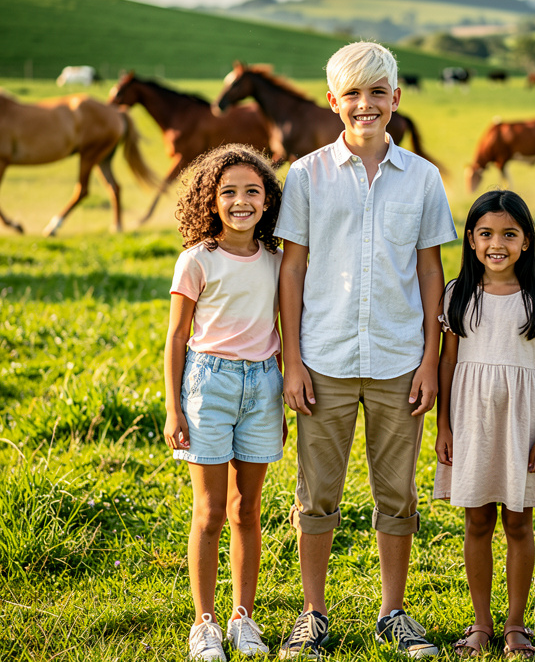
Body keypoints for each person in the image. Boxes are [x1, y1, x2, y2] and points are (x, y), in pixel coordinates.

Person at [274, 41, 457, 659]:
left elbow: (431, 273)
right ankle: (313, 613)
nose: (365, 104)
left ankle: (392, 611)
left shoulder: (424, 178)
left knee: (397, 494)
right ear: (332, 102)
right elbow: (292, 271)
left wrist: (430, 358)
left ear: (396, 99)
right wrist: (293, 361)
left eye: (377, 92)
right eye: (352, 93)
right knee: (317, 492)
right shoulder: (305, 175)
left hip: (399, 360)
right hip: (322, 359)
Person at [162, 144, 286, 662]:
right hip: (207, 386)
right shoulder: (197, 259)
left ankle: (243, 617)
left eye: (252, 192)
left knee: (247, 509)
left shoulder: (278, 261)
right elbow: (175, 338)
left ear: (267, 201)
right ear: (210, 200)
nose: (241, 201)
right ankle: (205, 622)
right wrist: (173, 408)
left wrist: (283, 393)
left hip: (263, 386)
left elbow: (283, 326)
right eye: (229, 192)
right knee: (210, 511)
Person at [433, 190, 535, 659]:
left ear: (526, 242)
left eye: (509, 234)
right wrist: (443, 427)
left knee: (517, 522)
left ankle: (515, 625)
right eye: (487, 233)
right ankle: (481, 623)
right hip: (470, 420)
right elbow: (447, 365)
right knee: (476, 521)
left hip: (522, 422)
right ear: (471, 240)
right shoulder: (458, 296)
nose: (498, 244)